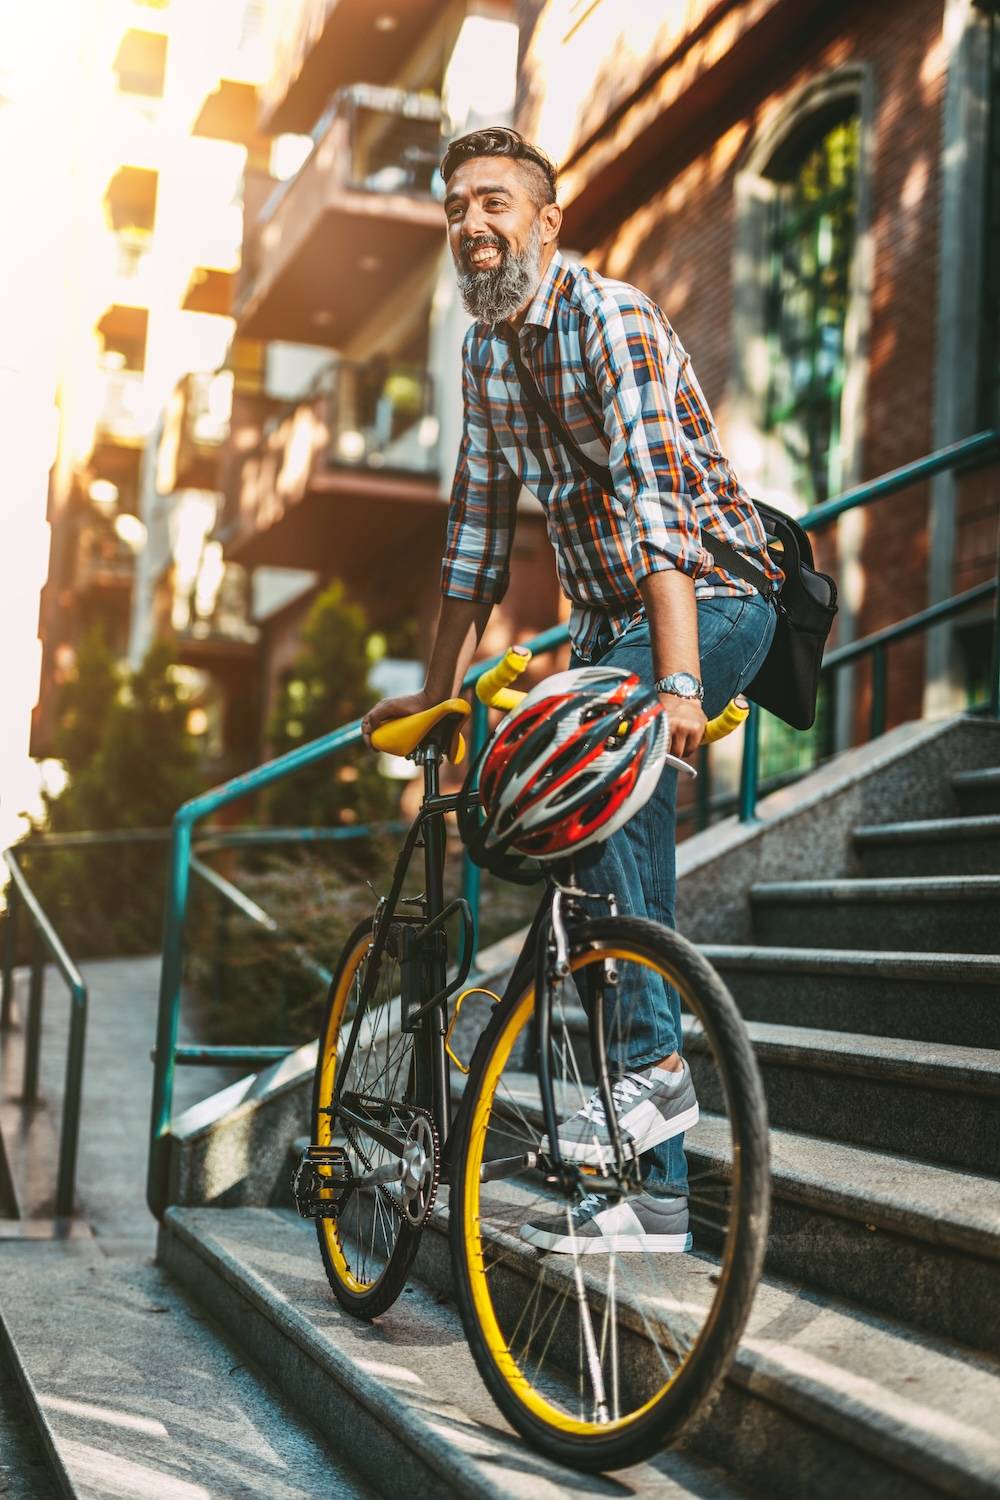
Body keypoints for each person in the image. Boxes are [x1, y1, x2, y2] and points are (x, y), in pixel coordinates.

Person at [363, 126, 783, 1252]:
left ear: (548, 222)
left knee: (595, 764)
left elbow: (657, 511)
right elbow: (472, 544)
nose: (471, 225)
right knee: (577, 843)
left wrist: (680, 678)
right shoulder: (483, 354)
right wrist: (433, 702)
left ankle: (647, 1068)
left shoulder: (614, 320)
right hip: (607, 629)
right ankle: (646, 1198)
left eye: (494, 203)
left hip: (719, 594)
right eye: (456, 207)